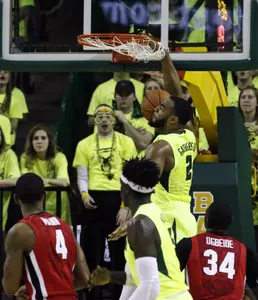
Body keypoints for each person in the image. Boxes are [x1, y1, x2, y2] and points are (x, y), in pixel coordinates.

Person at [90, 158, 192, 300]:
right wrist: (111, 276)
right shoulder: (155, 212)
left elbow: (151, 285)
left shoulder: (140, 225)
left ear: (125, 189)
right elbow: (143, 278)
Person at [73, 104, 137, 300]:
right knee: (92, 251)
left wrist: (125, 206)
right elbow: (82, 174)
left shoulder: (126, 142)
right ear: (94, 120)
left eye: (108, 116)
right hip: (93, 200)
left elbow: (130, 176)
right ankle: (92, 294)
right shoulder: (84, 144)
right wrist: (84, 195)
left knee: (119, 253)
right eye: (99, 116)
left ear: (114, 120)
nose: (103, 120)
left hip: (118, 199)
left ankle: (118, 295)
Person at [2, 173, 90, 299]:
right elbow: (85, 278)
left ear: (16, 199)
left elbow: (10, 288)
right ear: (44, 196)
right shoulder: (64, 226)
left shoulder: (19, 232)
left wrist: (37, 288)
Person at [176, 202, 258, 299]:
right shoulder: (245, 251)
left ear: (206, 220)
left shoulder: (188, 245)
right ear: (231, 221)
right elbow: (255, 288)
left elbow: (167, 276)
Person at [20, 125, 71, 224]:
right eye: (36, 138)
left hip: (58, 205)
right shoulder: (25, 157)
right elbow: (25, 180)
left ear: (49, 141)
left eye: (43, 138)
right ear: (31, 142)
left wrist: (47, 181)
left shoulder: (59, 157)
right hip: (35, 206)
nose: (39, 141)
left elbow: (64, 182)